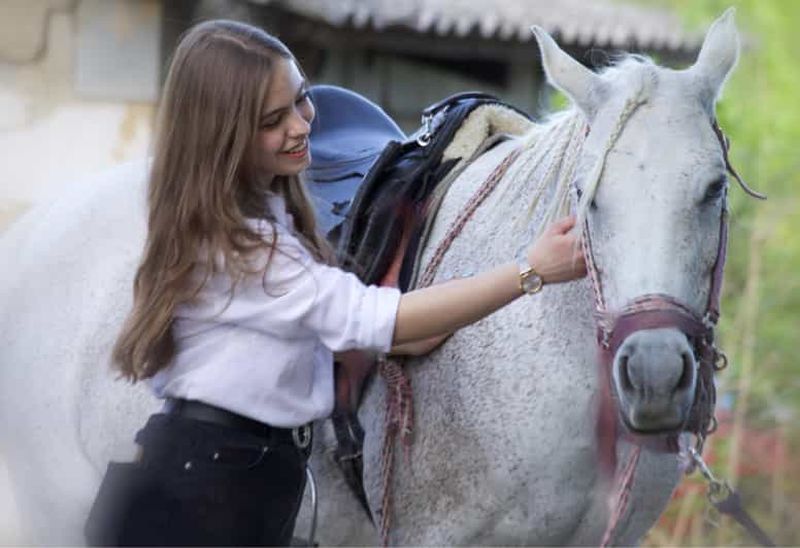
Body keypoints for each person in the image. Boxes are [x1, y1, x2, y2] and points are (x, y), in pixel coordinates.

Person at [84, 19, 587, 547]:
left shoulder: (258, 219)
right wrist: (530, 271)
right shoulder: (245, 250)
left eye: (301, 100)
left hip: (226, 475)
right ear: (223, 137)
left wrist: (408, 329)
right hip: (209, 490)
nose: (301, 125)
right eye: (273, 120)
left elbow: (338, 333)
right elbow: (374, 319)